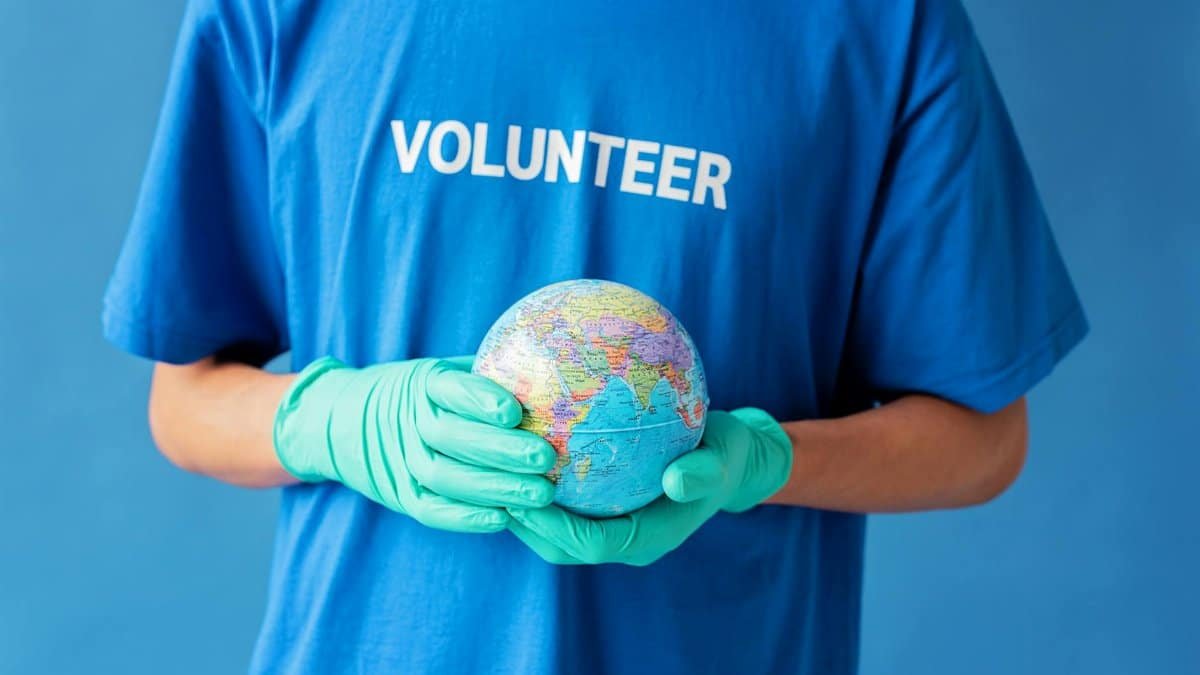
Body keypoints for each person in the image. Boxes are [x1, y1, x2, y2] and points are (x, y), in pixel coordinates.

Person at [102, 0, 1088, 672]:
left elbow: (984, 438)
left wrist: (763, 461)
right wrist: (341, 423)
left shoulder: (878, 24)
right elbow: (182, 401)